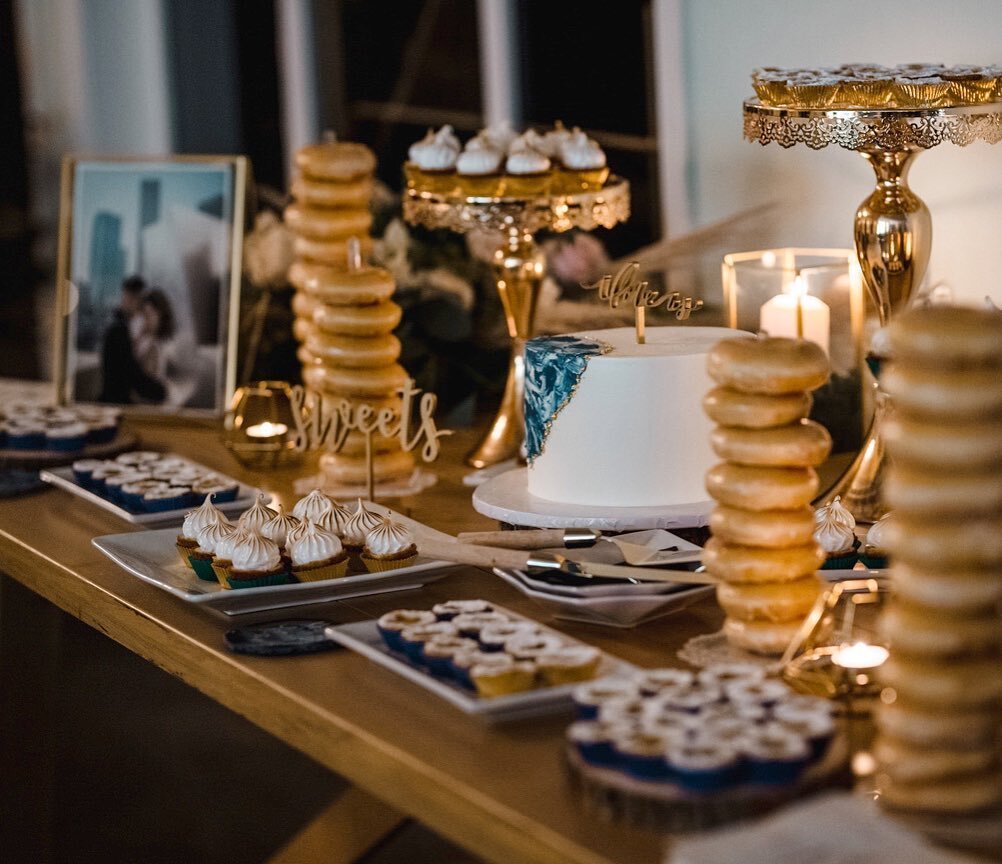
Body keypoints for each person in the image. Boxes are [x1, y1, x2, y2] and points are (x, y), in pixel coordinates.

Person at [98, 275, 166, 404]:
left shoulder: (120, 328)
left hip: (115, 400)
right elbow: (132, 375)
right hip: (116, 403)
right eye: (137, 299)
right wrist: (162, 391)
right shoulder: (119, 331)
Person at [132, 288, 176, 387]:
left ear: (161, 316)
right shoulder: (143, 340)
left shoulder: (158, 346)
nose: (145, 320)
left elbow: (148, 378)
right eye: (143, 314)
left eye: (149, 314)